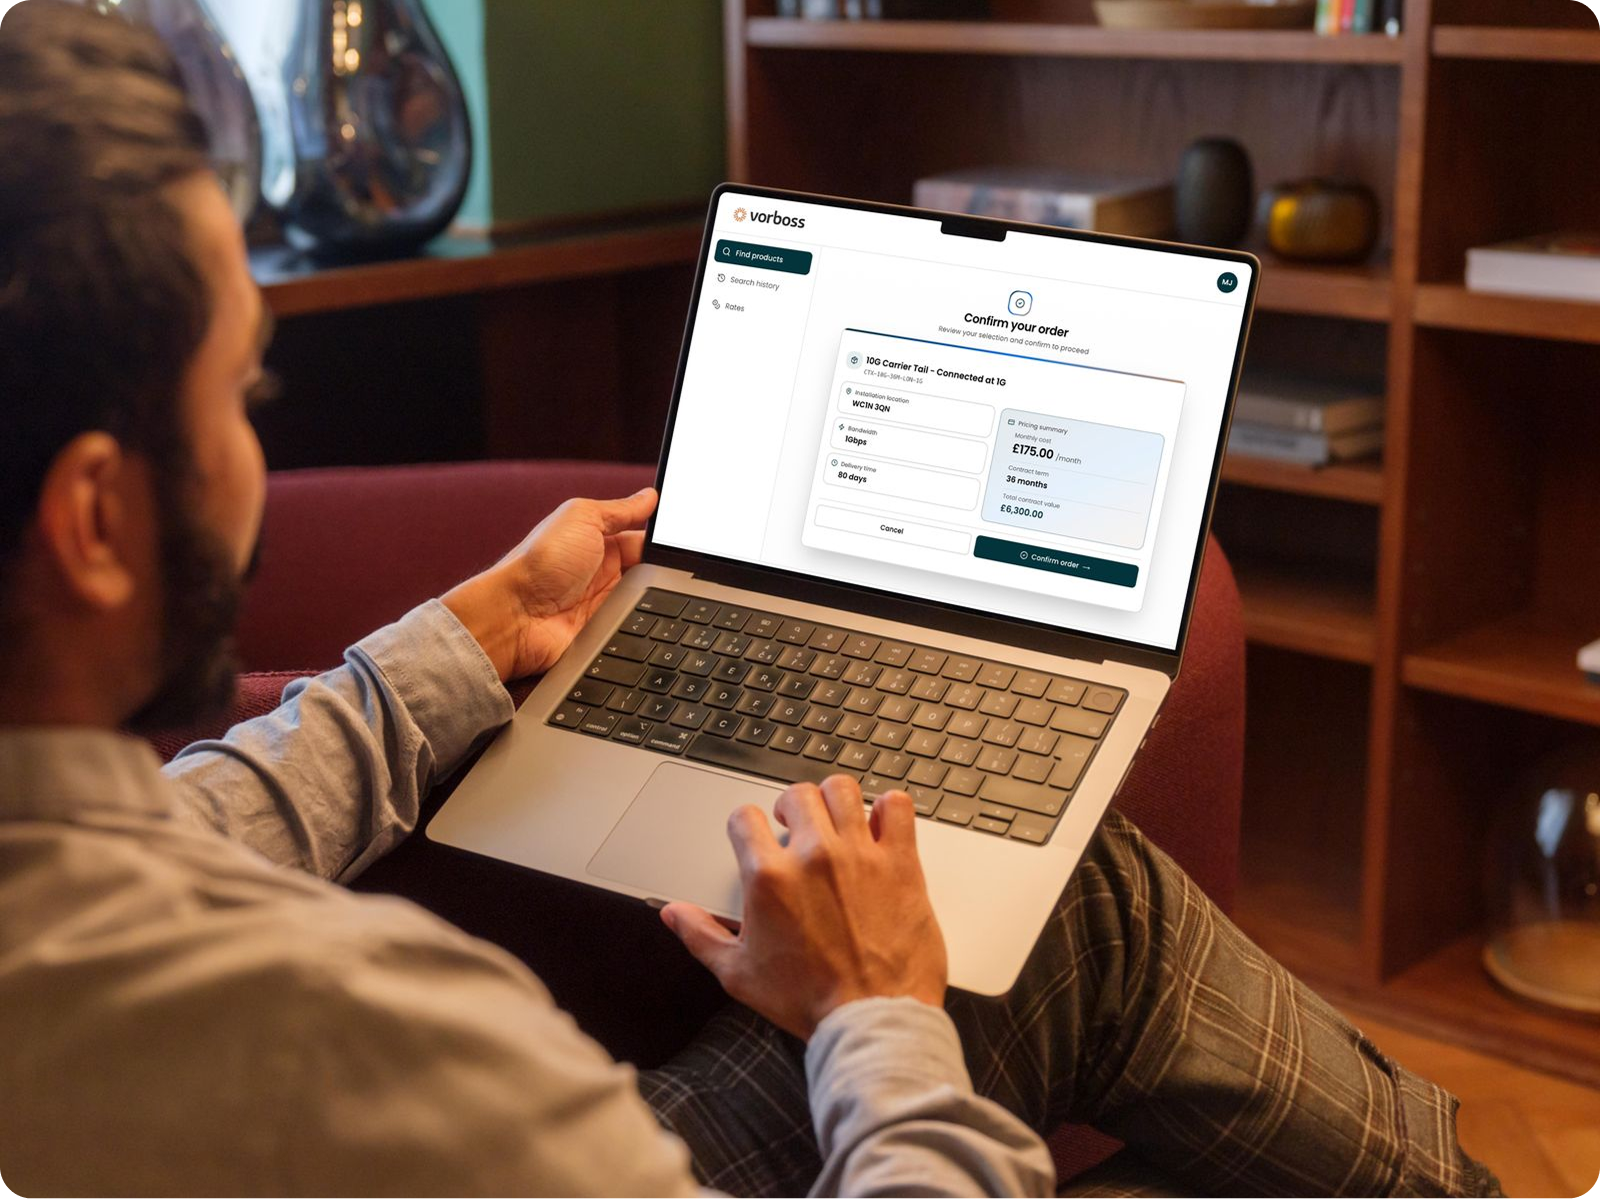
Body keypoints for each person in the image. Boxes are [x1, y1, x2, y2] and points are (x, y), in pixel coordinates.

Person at [0, 4, 1503, 1197]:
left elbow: (172, 823)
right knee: (1069, 912)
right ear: (96, 520)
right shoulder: (378, 1050)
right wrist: (877, 1011)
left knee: (1062, 906)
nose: (253, 447)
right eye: (241, 390)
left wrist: (456, 652)